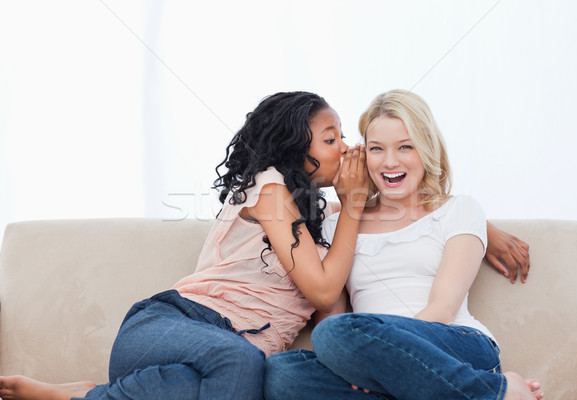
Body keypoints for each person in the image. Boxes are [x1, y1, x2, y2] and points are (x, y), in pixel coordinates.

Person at [0, 91, 530, 400]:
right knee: (267, 371)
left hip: (434, 342)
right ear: (297, 151)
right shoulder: (295, 198)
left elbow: (384, 293)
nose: (347, 149)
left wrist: (482, 227)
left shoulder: (337, 219)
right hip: (181, 322)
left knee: (256, 369)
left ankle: (80, 395)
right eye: (338, 140)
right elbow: (329, 301)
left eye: (402, 147)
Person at [264, 90, 543, 400]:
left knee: (336, 334)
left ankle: (494, 392)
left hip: (453, 343)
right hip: (376, 358)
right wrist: (371, 362)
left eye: (405, 147)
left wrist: (382, 352)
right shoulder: (338, 224)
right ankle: (483, 391)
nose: (390, 161)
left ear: (426, 150)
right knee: (282, 372)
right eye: (377, 149)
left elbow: (443, 307)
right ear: (362, 155)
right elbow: (331, 315)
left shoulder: (460, 210)